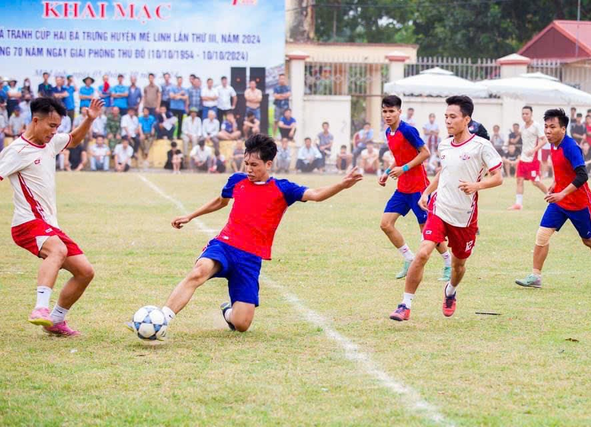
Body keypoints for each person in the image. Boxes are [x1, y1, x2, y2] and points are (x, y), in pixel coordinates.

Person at [131, 134, 362, 337]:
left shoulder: (283, 189)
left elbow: (317, 194)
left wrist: (342, 184)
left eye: (254, 165)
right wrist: (190, 216)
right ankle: (162, 320)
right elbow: (220, 201)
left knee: (242, 324)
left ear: (269, 163)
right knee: (198, 272)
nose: (249, 169)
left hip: (250, 258)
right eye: (246, 164)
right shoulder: (237, 180)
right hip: (225, 245)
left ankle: (228, 312)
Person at [390, 95, 503, 321]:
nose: (448, 121)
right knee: (422, 253)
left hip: (464, 216)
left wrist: (476, 185)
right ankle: (405, 304)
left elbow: (499, 177)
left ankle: (450, 291)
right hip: (439, 208)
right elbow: (444, 173)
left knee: (458, 265)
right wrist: (426, 192)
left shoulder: (481, 146)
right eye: (446, 117)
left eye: (453, 117)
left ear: (466, 119)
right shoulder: (444, 145)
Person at [0, 96, 103, 336]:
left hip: (48, 225)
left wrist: (88, 120)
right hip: (27, 224)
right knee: (57, 251)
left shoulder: (49, 143)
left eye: (58, 127)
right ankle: (40, 308)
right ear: (36, 121)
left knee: (85, 272)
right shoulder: (16, 151)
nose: (54, 132)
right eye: (51, 126)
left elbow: (75, 139)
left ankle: (56, 320)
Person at [516, 108, 591, 289]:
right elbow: (562, 168)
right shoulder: (553, 143)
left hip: (579, 203)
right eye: (546, 127)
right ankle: (536, 276)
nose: (548, 131)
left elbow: (582, 175)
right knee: (542, 235)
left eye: (552, 127)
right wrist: (555, 183)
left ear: (563, 129)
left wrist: (562, 193)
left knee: (588, 241)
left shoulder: (571, 147)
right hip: (559, 202)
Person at [378, 95, 451, 283]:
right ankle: (409, 258)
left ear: (399, 112)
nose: (388, 115)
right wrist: (387, 171)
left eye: (391, 111)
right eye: (385, 111)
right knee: (385, 224)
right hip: (402, 188)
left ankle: (448, 263)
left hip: (418, 188)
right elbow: (400, 156)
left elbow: (425, 153)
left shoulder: (408, 130)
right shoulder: (388, 132)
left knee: (427, 232)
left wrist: (403, 169)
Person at [507, 106, 548, 210]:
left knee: (536, 182)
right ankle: (518, 204)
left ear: (531, 114)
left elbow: (544, 140)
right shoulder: (522, 127)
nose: (524, 116)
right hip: (523, 159)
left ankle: (552, 198)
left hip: (533, 160)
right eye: (523, 114)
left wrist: (534, 150)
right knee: (519, 180)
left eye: (527, 114)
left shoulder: (536, 126)